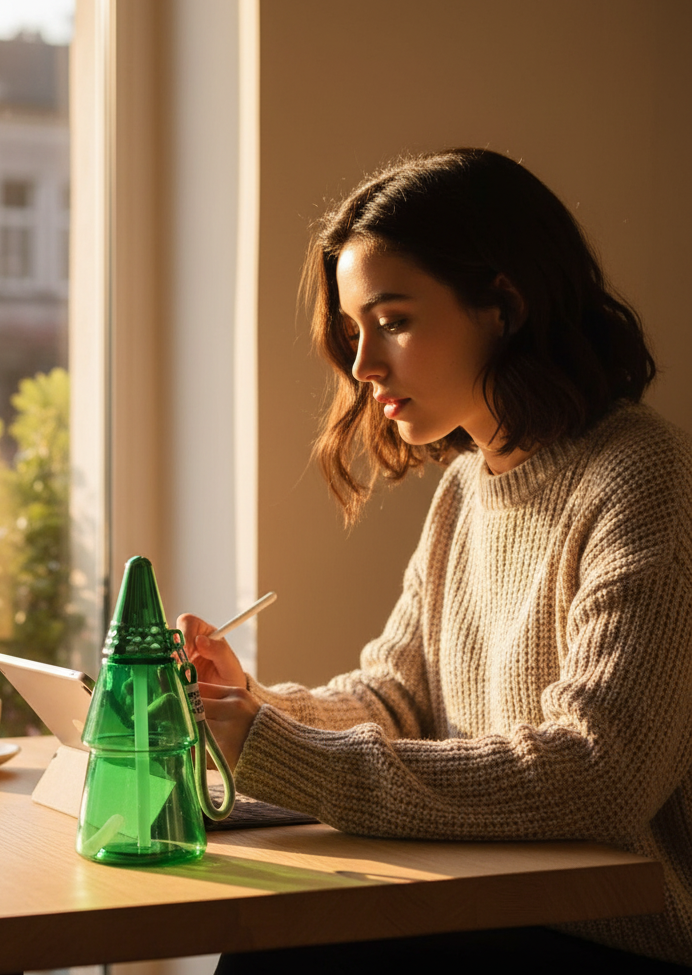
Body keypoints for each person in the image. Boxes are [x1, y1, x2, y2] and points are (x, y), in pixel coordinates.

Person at [179, 148, 692, 970]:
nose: (363, 367)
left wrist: (275, 749)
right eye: (354, 332)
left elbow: (601, 773)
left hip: (610, 935)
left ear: (504, 304)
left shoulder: (640, 473)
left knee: (280, 946)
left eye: (394, 321)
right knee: (272, 929)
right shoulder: (465, 489)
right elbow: (399, 699)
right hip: (485, 901)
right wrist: (247, 706)